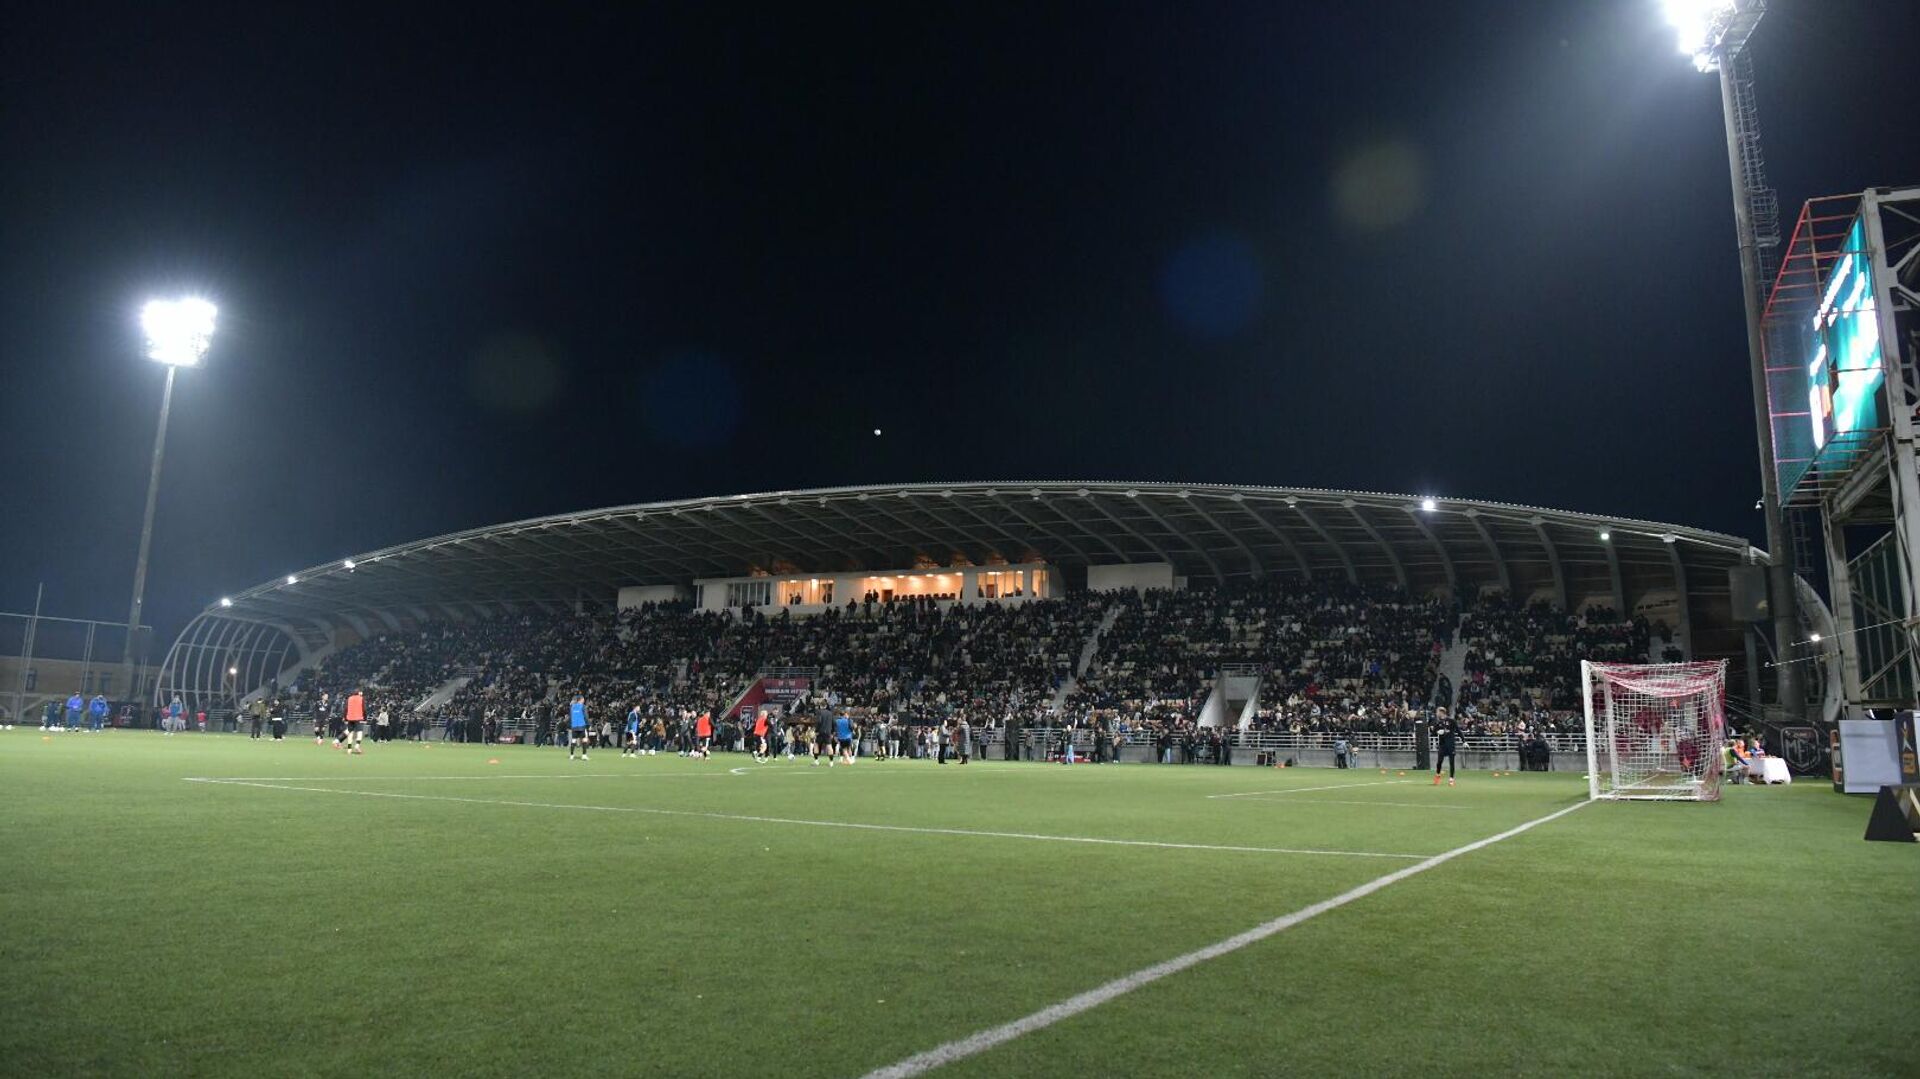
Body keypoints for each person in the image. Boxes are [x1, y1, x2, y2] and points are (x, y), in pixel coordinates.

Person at [1432, 711, 1458, 786]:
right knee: (1439, 762)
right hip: (1442, 745)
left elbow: (1458, 731)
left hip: (1451, 745)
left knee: (1452, 762)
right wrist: (1437, 732)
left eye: (1438, 712)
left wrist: (1464, 741)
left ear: (1442, 712)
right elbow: (1433, 733)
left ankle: (1451, 779)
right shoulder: (1438, 723)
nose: (1437, 714)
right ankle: (1438, 775)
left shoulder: (1452, 721)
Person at [343, 689, 367, 755]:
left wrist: (345, 718)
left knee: (350, 733)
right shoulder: (361, 698)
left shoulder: (349, 699)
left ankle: (349, 749)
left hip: (350, 718)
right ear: (359, 693)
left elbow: (346, 709)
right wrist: (365, 718)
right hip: (358, 718)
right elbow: (364, 709)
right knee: (359, 732)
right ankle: (357, 745)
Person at [568, 694, 590, 761]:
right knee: (584, 740)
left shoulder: (572, 707)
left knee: (573, 740)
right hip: (581, 725)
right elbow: (586, 716)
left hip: (574, 726)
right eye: (583, 699)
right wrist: (588, 724)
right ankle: (584, 755)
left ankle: (571, 755)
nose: (584, 700)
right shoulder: (583, 706)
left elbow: (570, 717)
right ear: (581, 699)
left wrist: (571, 725)